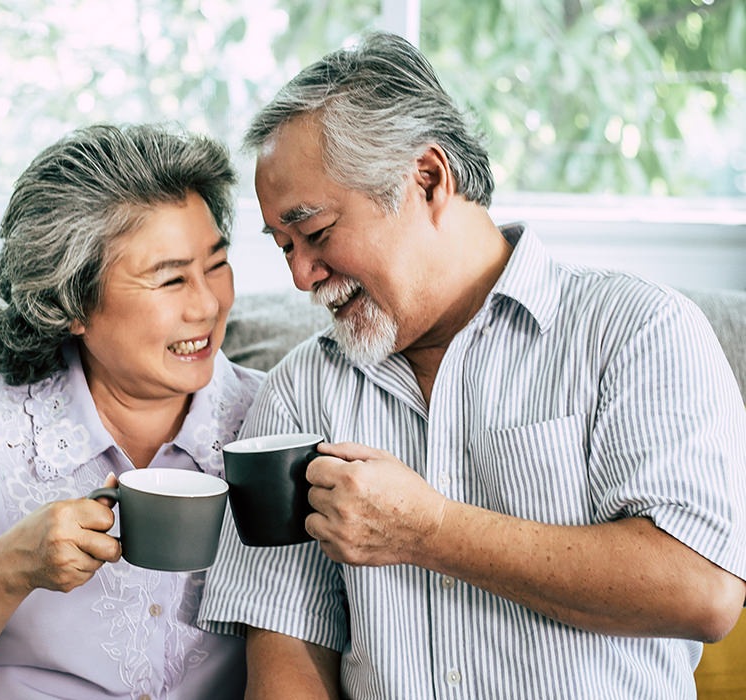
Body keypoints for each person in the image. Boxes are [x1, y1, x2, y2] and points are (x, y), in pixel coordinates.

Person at [198, 31, 746, 699]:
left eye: (314, 233)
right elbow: (286, 651)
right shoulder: (299, 391)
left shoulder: (637, 331)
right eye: (283, 246)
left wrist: (428, 530)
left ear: (427, 178)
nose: (301, 275)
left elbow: (703, 590)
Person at [0, 123, 262, 699]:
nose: (206, 304)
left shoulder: (273, 421)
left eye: (217, 265)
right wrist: (10, 567)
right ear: (69, 304)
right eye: (170, 278)